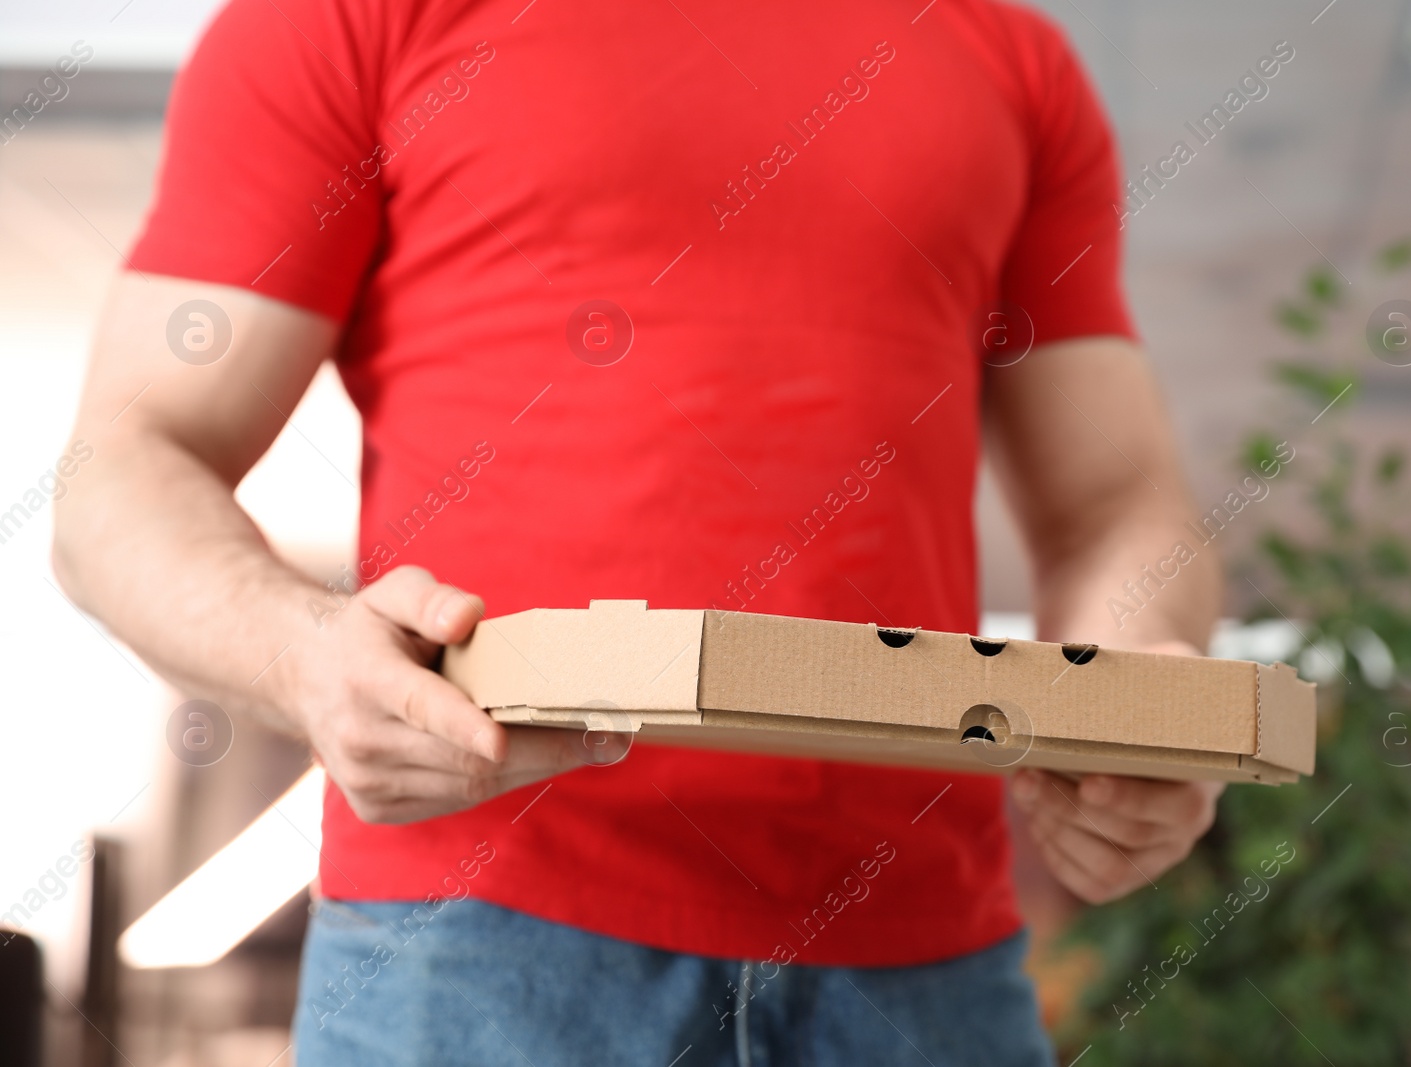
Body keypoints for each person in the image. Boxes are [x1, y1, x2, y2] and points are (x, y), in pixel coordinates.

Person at [53, 0, 1224, 1062]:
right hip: (479, 953)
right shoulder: (352, 17)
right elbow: (127, 467)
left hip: (922, 972)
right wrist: (306, 657)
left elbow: (1114, 503)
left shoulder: (1009, 56)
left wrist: (1128, 710)